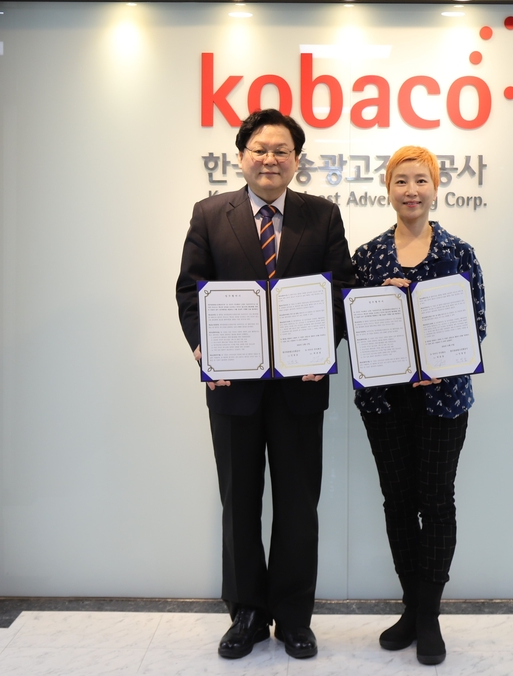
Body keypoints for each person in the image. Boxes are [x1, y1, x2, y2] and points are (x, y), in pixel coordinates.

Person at [176, 109, 355, 660]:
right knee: (240, 503)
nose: (270, 159)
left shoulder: (322, 215)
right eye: (260, 149)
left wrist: (325, 347)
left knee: (299, 504)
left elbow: (341, 291)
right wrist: (204, 349)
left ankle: (295, 617)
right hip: (234, 385)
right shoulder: (210, 214)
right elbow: (189, 290)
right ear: (241, 156)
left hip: (301, 384)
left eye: (281, 150)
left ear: (296, 160)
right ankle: (247, 614)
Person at [351, 146, 486, 666]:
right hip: (384, 402)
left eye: (420, 180)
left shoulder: (458, 253)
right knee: (398, 502)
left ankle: (427, 615)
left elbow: (476, 326)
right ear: (387, 189)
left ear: (435, 187)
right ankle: (413, 606)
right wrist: (382, 305)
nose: (411, 190)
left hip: (442, 400)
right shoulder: (367, 257)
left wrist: (441, 362)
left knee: (437, 500)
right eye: (401, 180)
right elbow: (354, 329)